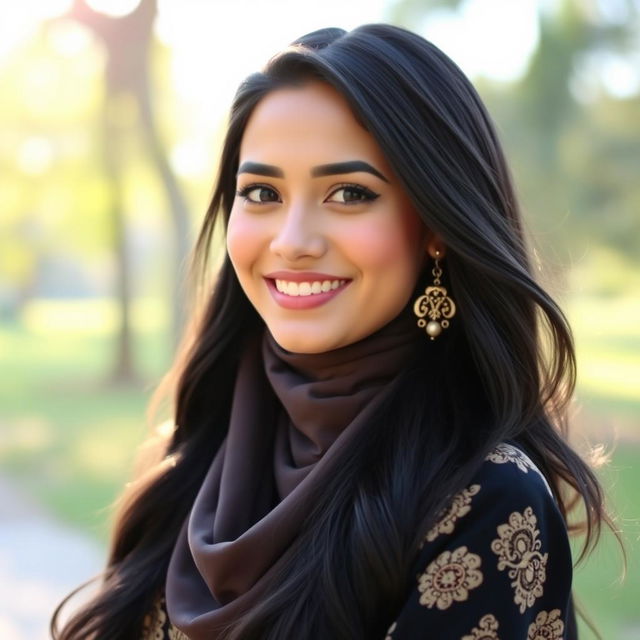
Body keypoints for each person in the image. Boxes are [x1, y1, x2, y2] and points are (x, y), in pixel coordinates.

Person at [52, 24, 612, 640]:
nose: (292, 242)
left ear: (435, 224)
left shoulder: (485, 498)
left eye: (348, 193)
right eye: (262, 192)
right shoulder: (199, 450)